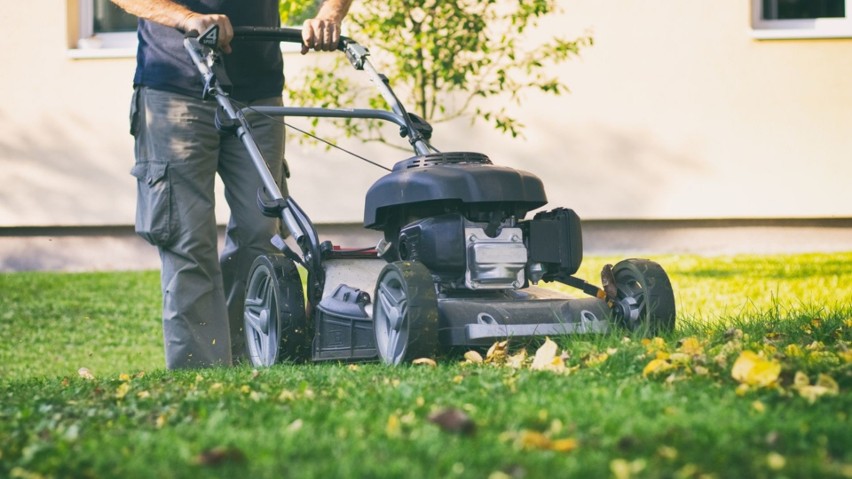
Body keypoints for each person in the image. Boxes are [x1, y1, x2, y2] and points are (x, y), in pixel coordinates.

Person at [110, 0, 353, 369]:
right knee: (188, 241)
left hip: (258, 91)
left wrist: (329, 15)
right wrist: (187, 17)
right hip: (176, 87)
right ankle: (202, 373)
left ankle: (246, 361)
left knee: (262, 235)